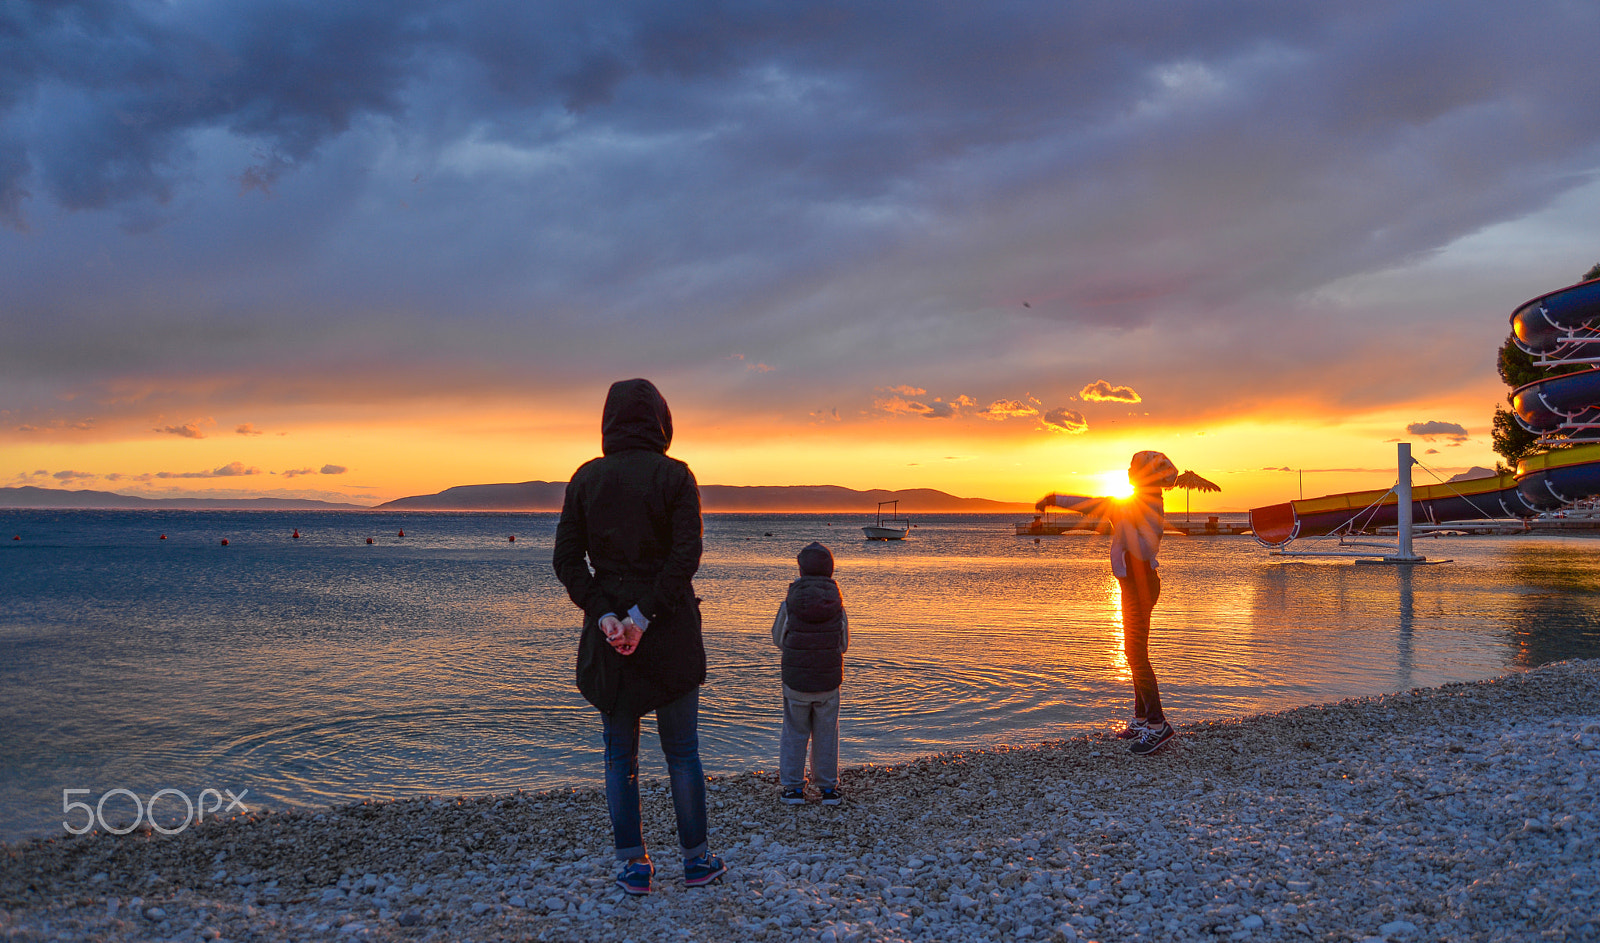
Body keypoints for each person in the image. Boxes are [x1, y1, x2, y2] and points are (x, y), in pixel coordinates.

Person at [552, 378, 726, 895]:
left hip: (611, 638)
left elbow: (566, 561)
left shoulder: (587, 478)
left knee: (618, 756)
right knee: (682, 752)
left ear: (608, 421)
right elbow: (685, 558)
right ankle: (696, 861)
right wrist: (643, 616)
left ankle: (634, 865)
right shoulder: (676, 477)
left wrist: (608, 616)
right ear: (661, 421)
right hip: (668, 629)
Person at [1037, 450, 1180, 757]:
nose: (1127, 473)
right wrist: (1055, 498)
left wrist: (1123, 521)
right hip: (1136, 584)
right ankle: (1142, 718)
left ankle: (1158, 725)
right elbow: (1090, 504)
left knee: (1136, 653)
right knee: (1133, 652)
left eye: (1132, 469)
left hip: (1139, 585)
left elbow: (1145, 547)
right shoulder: (1135, 503)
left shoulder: (1141, 506)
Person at [771, 541, 848, 805]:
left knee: (794, 733)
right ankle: (828, 789)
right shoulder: (837, 604)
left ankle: (793, 789)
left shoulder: (789, 603)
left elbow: (778, 639)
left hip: (796, 682)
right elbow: (844, 644)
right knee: (827, 734)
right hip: (828, 681)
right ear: (830, 570)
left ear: (801, 570)